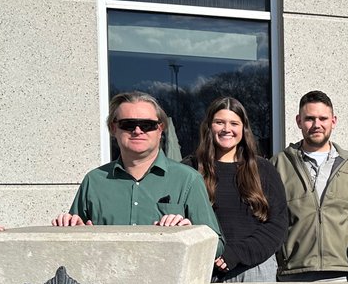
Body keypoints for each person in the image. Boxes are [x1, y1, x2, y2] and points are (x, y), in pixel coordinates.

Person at [51, 92, 223, 256]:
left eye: (147, 125)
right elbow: (71, 243)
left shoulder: (187, 179)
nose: (138, 131)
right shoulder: (94, 181)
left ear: (160, 128)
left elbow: (218, 245)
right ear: (113, 128)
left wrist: (190, 235)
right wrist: (72, 231)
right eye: (128, 124)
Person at [273, 91, 348, 282]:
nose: (316, 124)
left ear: (333, 121)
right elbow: (269, 220)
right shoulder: (279, 164)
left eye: (323, 118)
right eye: (309, 118)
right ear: (298, 121)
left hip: (342, 271)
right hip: (293, 272)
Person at [185, 97, 288, 282]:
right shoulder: (190, 169)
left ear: (243, 129)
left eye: (234, 123)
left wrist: (236, 254)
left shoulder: (262, 169)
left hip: (255, 270)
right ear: (209, 126)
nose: (227, 129)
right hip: (205, 270)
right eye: (219, 122)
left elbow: (277, 225)